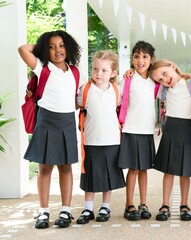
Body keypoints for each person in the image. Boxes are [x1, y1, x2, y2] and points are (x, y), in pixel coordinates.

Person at [18, 30, 85, 229]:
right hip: (46, 120)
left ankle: (66, 210)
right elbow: (23, 49)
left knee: (65, 166)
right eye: (52, 46)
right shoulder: (42, 67)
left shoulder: (75, 71)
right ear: (45, 50)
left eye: (62, 45)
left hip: (66, 122)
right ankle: (43, 212)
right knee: (45, 167)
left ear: (69, 48)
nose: (58, 50)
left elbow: (78, 99)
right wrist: (41, 49)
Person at [148, 59, 191, 221]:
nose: (164, 80)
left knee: (185, 171)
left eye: (165, 74)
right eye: (160, 79)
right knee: (169, 170)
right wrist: (130, 71)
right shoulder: (163, 90)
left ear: (173, 67)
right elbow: (143, 80)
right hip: (171, 129)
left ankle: (184, 204)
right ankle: (165, 204)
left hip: (188, 129)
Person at [75, 50, 126, 224]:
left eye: (104, 70)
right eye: (95, 69)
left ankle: (106, 206)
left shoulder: (116, 90)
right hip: (91, 140)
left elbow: (119, 108)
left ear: (112, 73)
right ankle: (88, 208)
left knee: (108, 174)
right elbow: (78, 104)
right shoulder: (86, 90)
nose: (98, 73)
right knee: (90, 176)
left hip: (112, 140)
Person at [118, 41, 157, 221]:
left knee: (144, 169)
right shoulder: (127, 79)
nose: (140, 61)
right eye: (136, 56)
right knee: (133, 169)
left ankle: (143, 203)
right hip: (131, 129)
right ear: (132, 59)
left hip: (147, 131)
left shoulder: (155, 81)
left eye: (145, 57)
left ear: (151, 59)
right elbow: (116, 98)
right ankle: (129, 204)